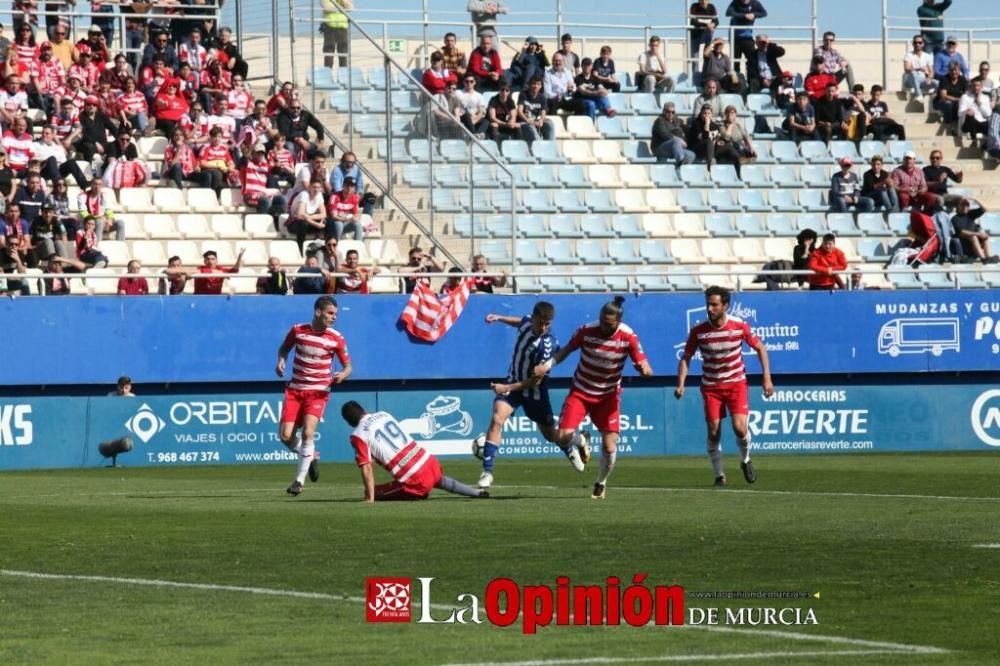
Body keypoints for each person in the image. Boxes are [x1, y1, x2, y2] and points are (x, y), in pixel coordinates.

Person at [533, 296, 653, 500]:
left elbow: (648, 369)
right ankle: (582, 440)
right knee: (561, 438)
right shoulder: (586, 330)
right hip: (580, 391)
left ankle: (601, 482)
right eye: (602, 320)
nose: (604, 326)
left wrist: (643, 371)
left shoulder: (629, 337)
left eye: (609, 323)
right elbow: (565, 351)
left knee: (609, 446)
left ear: (618, 321)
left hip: (608, 397)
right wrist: (548, 365)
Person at [473, 302, 585, 489]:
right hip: (513, 382)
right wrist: (499, 318)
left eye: (547, 324)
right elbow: (520, 322)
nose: (543, 328)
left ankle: (577, 441)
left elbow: (534, 381)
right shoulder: (527, 322)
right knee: (497, 418)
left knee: (552, 436)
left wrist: (505, 387)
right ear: (533, 318)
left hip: (534, 391)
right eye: (540, 323)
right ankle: (487, 472)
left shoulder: (546, 345)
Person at [675, 285, 774, 486]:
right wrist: (681, 384)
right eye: (708, 304)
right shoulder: (699, 331)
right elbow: (686, 357)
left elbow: (760, 348)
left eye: (714, 305)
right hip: (711, 386)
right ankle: (719, 475)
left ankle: (745, 460)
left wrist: (767, 378)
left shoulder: (739, 326)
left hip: (736, 382)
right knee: (713, 431)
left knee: (739, 428)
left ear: (725, 306)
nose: (710, 309)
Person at [276, 296, 352, 497]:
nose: (334, 317)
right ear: (318, 312)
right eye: (330, 313)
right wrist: (281, 361)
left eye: (336, 314)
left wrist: (343, 374)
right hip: (295, 390)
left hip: (318, 392)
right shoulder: (298, 330)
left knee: (308, 433)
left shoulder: (336, 338)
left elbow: (348, 366)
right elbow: (284, 348)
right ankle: (312, 455)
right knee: (285, 436)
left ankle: (299, 481)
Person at [342, 401, 487, 501]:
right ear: (364, 410)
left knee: (373, 491)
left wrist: (370, 498)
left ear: (350, 423)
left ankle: (417, 494)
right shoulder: (383, 414)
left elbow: (367, 467)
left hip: (415, 479)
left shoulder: (358, 435)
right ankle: (477, 493)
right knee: (438, 479)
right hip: (430, 462)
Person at [687, 104, 740, 174]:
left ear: (711, 114)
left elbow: (717, 137)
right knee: (708, 141)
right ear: (701, 114)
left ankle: (739, 163)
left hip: (712, 149)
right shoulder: (696, 124)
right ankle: (711, 165)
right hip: (697, 149)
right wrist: (707, 124)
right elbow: (704, 138)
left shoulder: (714, 125)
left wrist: (720, 141)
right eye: (704, 113)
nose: (706, 115)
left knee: (728, 146)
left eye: (709, 113)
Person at [287, 178, 331, 252]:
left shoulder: (319, 195)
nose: (316, 189)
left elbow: (323, 214)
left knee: (330, 223)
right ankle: (300, 249)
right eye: (314, 187)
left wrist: (309, 217)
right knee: (303, 224)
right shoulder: (304, 194)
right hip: (294, 223)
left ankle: (328, 248)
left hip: (308, 220)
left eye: (318, 187)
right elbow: (300, 215)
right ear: (310, 187)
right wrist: (316, 224)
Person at [725, 0, 767, 71]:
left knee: (753, 61)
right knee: (735, 63)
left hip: (748, 38)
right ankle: (736, 81)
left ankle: (752, 80)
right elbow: (728, 13)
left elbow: (764, 13)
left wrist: (754, 15)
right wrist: (744, 16)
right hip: (735, 38)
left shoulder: (755, 3)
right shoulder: (735, 2)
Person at [651, 101, 695, 166]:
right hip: (660, 147)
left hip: (675, 148)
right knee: (676, 140)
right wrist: (680, 140)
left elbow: (684, 130)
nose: (670, 114)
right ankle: (680, 160)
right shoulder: (659, 121)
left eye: (673, 112)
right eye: (668, 111)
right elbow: (665, 135)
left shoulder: (677, 120)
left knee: (691, 155)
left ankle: (679, 168)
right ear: (663, 111)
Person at [517, 75, 554, 144]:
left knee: (549, 124)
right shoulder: (523, 95)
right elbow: (519, 111)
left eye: (538, 84)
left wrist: (541, 120)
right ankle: (539, 146)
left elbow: (543, 112)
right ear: (530, 84)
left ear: (541, 86)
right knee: (531, 127)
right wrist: (528, 121)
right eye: (534, 83)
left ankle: (550, 145)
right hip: (524, 122)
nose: (535, 86)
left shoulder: (542, 97)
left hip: (535, 121)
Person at [719, 104, 755, 170]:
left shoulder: (738, 125)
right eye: (728, 113)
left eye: (732, 113)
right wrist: (730, 125)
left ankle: (745, 169)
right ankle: (739, 169)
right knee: (737, 148)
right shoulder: (722, 125)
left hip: (738, 147)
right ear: (725, 114)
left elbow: (746, 137)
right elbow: (726, 138)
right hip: (728, 149)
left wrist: (751, 147)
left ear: (735, 114)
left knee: (750, 153)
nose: (730, 115)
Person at [327, 176, 364, 241]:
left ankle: (357, 246)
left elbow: (355, 216)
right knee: (339, 224)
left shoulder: (355, 198)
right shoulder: (334, 196)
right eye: (347, 185)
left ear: (354, 188)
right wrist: (347, 218)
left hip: (345, 222)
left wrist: (350, 218)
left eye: (352, 186)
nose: (349, 188)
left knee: (358, 225)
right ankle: (336, 244)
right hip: (332, 224)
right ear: (343, 186)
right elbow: (334, 216)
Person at [689, 0, 719, 77]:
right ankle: (695, 77)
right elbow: (693, 22)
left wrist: (713, 24)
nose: (703, 2)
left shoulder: (711, 7)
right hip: (695, 35)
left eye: (705, 0)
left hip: (707, 36)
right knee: (695, 59)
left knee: (707, 56)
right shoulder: (694, 6)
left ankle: (706, 74)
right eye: (701, 0)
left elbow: (716, 21)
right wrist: (707, 25)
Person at [903, 34, 937, 101]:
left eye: (920, 42)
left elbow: (931, 72)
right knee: (913, 73)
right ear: (913, 44)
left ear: (923, 44)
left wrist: (929, 78)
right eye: (915, 42)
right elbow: (907, 69)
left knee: (937, 83)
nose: (917, 44)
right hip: (910, 81)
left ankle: (935, 99)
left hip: (922, 80)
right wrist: (918, 69)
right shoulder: (909, 55)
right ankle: (918, 95)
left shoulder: (927, 56)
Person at [958, 78, 991, 144]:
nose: (976, 87)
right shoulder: (965, 97)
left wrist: (979, 103)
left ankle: (989, 145)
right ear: (971, 87)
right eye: (974, 85)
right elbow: (959, 113)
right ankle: (974, 140)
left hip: (981, 123)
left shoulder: (985, 98)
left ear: (981, 87)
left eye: (978, 85)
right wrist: (967, 111)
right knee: (971, 115)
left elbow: (988, 114)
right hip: (968, 124)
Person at [934, 61, 967, 126]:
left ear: (959, 70)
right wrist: (957, 99)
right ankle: (948, 125)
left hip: (956, 102)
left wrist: (960, 100)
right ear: (949, 70)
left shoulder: (963, 80)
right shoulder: (944, 79)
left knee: (961, 105)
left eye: (956, 70)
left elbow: (966, 95)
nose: (954, 72)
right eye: (951, 70)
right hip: (941, 102)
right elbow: (943, 96)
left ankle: (958, 125)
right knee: (948, 103)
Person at [320, 0, 351, 69]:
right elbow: (326, 7)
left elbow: (349, 7)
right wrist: (340, 8)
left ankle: (343, 75)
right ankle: (327, 74)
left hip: (342, 27)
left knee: (343, 53)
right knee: (329, 53)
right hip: (329, 26)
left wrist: (343, 2)